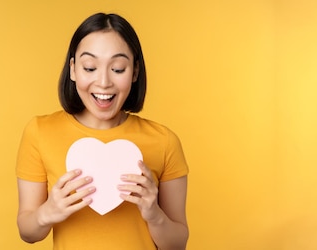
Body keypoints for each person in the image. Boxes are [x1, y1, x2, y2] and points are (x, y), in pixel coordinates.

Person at [16, 12, 189, 250]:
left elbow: (178, 244)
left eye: (118, 69)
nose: (104, 82)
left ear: (135, 72)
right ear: (73, 70)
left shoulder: (164, 142)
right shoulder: (40, 132)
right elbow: (27, 232)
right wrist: (47, 212)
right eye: (90, 67)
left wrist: (154, 214)